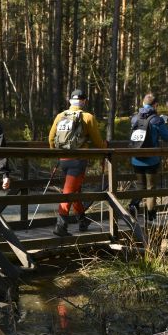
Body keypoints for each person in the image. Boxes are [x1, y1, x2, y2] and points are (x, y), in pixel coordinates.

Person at [48, 89, 107, 236]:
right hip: (78, 161)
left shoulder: (60, 116)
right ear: (84, 101)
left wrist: (58, 153)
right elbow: (98, 142)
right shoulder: (87, 117)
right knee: (68, 193)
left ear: (70, 101)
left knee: (74, 191)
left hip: (63, 160)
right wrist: (105, 146)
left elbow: (50, 139)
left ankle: (82, 220)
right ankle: (60, 227)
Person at [127, 93, 168, 222]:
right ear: (155, 105)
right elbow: (167, 137)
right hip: (151, 159)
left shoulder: (134, 118)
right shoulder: (156, 119)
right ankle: (150, 216)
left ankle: (133, 205)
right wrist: (164, 123)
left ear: (142, 103)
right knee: (151, 188)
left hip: (136, 158)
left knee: (140, 186)